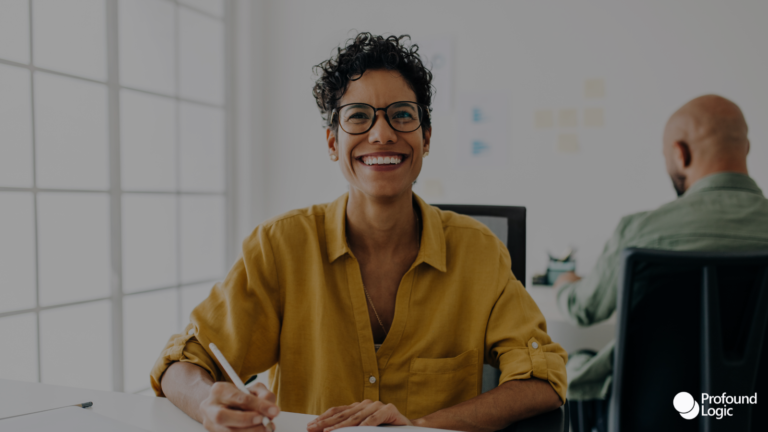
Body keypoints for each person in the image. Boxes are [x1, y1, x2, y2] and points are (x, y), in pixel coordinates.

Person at [152, 33, 567, 432]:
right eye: (358, 117)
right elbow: (183, 364)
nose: (382, 133)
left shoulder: (479, 252)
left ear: (426, 137)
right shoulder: (281, 247)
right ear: (333, 142)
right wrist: (209, 402)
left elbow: (542, 379)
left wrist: (418, 428)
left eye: (402, 115)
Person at [554, 94, 768, 427]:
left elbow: (583, 310)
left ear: (681, 154)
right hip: (756, 413)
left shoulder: (640, 231)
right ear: (746, 149)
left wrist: (565, 283)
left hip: (655, 416)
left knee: (576, 366)